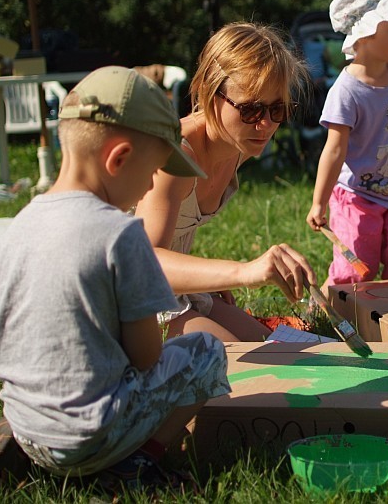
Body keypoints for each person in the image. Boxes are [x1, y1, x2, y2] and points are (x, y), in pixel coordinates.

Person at [0, 66, 230, 498]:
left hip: (28, 425)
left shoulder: (16, 230)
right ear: (118, 159)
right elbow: (145, 355)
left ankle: (26, 452)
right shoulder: (121, 235)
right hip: (93, 433)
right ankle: (136, 464)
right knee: (206, 352)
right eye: (154, 171)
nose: (149, 187)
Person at [134, 22, 317, 342]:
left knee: (276, 348)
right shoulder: (175, 156)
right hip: (133, 299)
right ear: (209, 91)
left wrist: (204, 275)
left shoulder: (237, 144)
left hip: (176, 290)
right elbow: (146, 266)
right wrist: (243, 272)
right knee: (241, 366)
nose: (266, 124)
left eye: (278, 109)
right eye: (250, 109)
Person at [305, 0, 388, 293]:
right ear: (364, 34)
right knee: (356, 267)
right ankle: (330, 304)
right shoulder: (347, 91)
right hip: (357, 195)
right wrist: (318, 203)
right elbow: (334, 151)